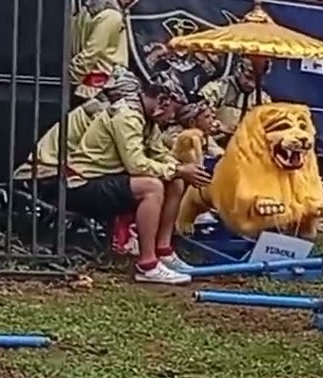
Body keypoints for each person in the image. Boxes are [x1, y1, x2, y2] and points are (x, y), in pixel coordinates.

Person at [57, 74, 212, 284]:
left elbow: (158, 153)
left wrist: (180, 168)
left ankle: (163, 251)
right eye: (173, 112)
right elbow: (136, 164)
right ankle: (147, 264)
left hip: (108, 178)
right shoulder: (127, 116)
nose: (172, 119)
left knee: (175, 181)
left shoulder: (148, 119)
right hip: (83, 183)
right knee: (152, 186)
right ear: (162, 102)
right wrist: (177, 169)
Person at [68, 0, 137, 105]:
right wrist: (68, 80)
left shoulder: (88, 10)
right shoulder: (112, 16)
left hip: (91, 88)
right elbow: (89, 55)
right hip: (99, 91)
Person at [200, 59, 272, 144]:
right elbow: (199, 116)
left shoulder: (263, 99)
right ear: (238, 69)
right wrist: (219, 126)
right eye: (248, 77)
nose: (251, 84)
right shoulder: (217, 88)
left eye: (257, 80)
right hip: (215, 145)